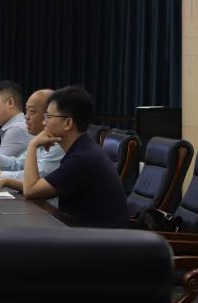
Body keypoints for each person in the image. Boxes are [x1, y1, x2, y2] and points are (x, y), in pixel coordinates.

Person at [21, 85, 129, 228]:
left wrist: (32, 145)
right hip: (85, 232)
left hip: (99, 239)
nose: (43, 122)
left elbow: (30, 190)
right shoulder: (83, 149)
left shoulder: (82, 159)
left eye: (48, 116)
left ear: (68, 123)